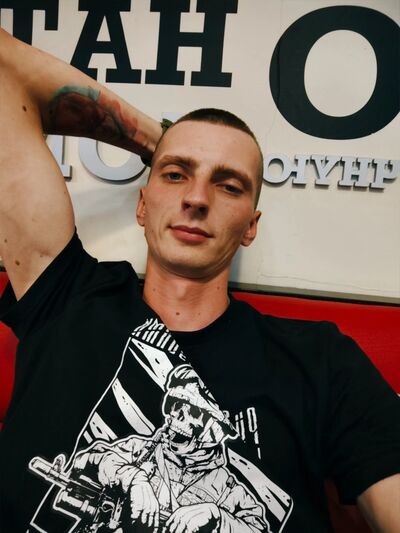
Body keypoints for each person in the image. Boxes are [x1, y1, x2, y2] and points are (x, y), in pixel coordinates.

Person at [0, 28, 399, 533]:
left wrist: (212, 515)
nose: (196, 198)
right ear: (142, 206)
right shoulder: (67, 297)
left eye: (228, 185)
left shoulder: (320, 362)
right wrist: (159, 139)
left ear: (250, 226)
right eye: (175, 175)